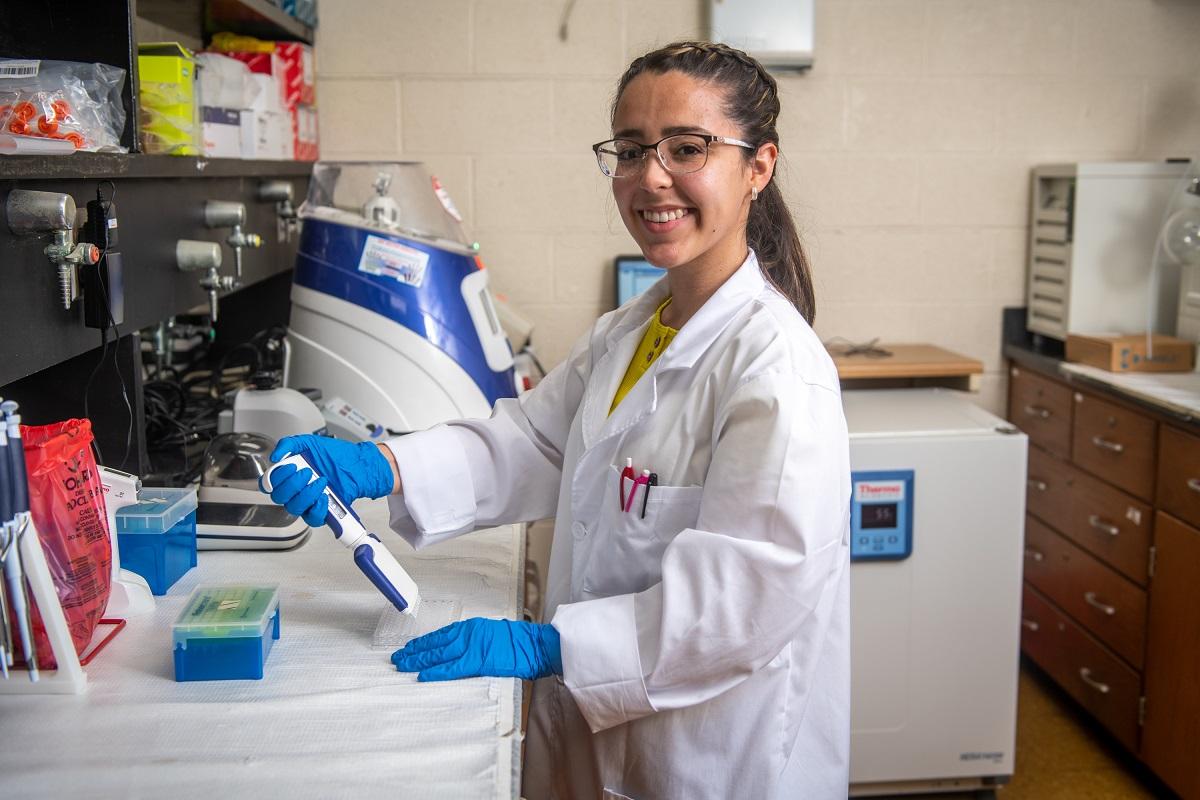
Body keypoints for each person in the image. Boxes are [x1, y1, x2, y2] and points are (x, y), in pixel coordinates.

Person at [264, 41, 851, 800]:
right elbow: (531, 443)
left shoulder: (777, 373)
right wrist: (385, 466)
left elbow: (743, 605)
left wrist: (552, 646)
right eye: (632, 150)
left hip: (710, 758)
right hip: (597, 734)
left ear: (758, 167)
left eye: (686, 148)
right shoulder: (629, 332)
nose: (651, 177)